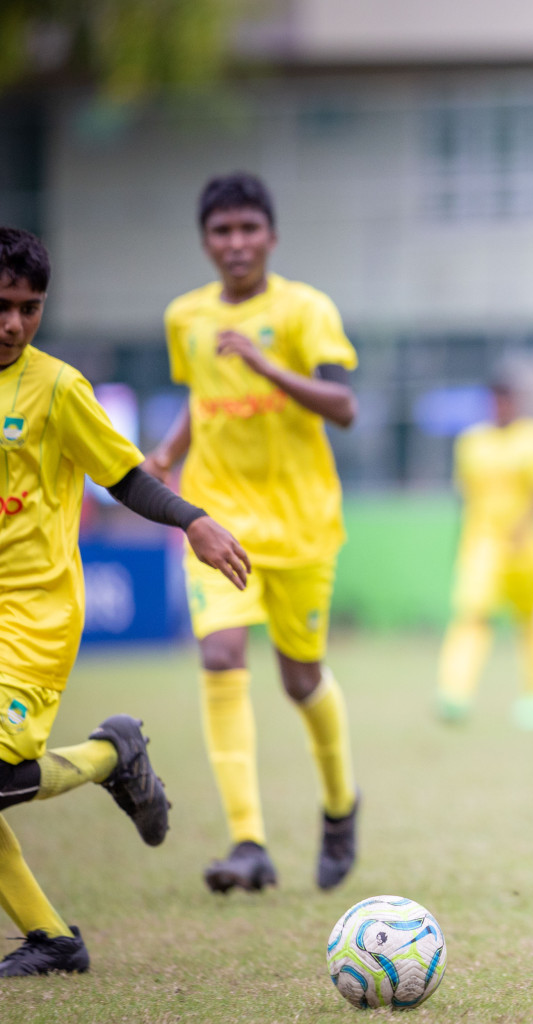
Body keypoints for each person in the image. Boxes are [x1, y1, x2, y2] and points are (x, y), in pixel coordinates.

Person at [0, 226, 250, 974]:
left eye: (29, 307)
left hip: (32, 615)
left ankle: (113, 755)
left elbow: (125, 476)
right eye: (1, 305)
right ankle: (50, 938)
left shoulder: (56, 388)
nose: (13, 323)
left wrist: (194, 520)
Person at [145, 172, 361, 894]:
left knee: (300, 678)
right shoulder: (186, 317)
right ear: (205, 242)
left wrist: (267, 363)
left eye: (247, 230)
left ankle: (339, 805)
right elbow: (202, 396)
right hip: (217, 518)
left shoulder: (305, 309)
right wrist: (170, 451)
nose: (235, 244)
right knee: (221, 654)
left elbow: (344, 405)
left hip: (301, 526)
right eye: (221, 232)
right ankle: (248, 842)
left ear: (270, 235)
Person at [436, 363, 533, 728]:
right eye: (495, 400)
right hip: (483, 545)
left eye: (506, 400)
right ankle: (455, 694)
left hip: (529, 546)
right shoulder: (471, 442)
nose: (501, 407)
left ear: (517, 402)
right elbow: (465, 494)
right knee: (471, 616)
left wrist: (522, 527)